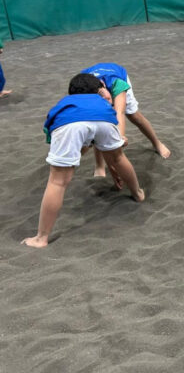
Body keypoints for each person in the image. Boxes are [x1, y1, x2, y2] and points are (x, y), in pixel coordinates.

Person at [22, 73, 145, 248]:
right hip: (104, 118)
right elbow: (106, 139)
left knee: (58, 181)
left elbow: (50, 129)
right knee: (118, 158)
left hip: (69, 122)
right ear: (99, 90)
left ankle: (41, 238)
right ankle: (137, 193)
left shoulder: (65, 103)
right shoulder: (102, 101)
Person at [81, 62, 171, 181]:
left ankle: (157, 143)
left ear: (103, 85)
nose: (105, 100)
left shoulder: (118, 84)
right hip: (89, 83)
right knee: (99, 124)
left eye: (103, 95)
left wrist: (121, 136)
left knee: (133, 115)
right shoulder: (82, 92)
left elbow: (120, 113)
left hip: (116, 75)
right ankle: (99, 165)